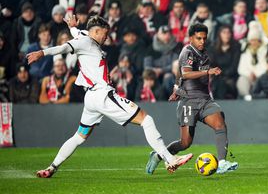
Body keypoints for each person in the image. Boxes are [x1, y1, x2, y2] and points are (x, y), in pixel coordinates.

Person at [26, 15, 193, 178]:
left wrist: (72, 27)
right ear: (96, 31)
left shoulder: (84, 35)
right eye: (105, 34)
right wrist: (41, 53)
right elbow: (64, 47)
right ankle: (170, 159)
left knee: (79, 136)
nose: (107, 38)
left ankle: (51, 167)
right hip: (102, 95)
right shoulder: (84, 41)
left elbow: (77, 33)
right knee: (146, 120)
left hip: (91, 99)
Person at [145, 23, 238, 175]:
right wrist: (208, 72)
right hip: (188, 101)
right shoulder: (187, 52)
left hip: (205, 100)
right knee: (185, 143)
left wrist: (176, 88)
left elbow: (179, 74)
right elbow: (186, 74)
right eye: (198, 38)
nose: (202, 41)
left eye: (204, 38)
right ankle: (158, 155)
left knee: (220, 123)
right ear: (191, 38)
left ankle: (221, 163)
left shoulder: (205, 54)